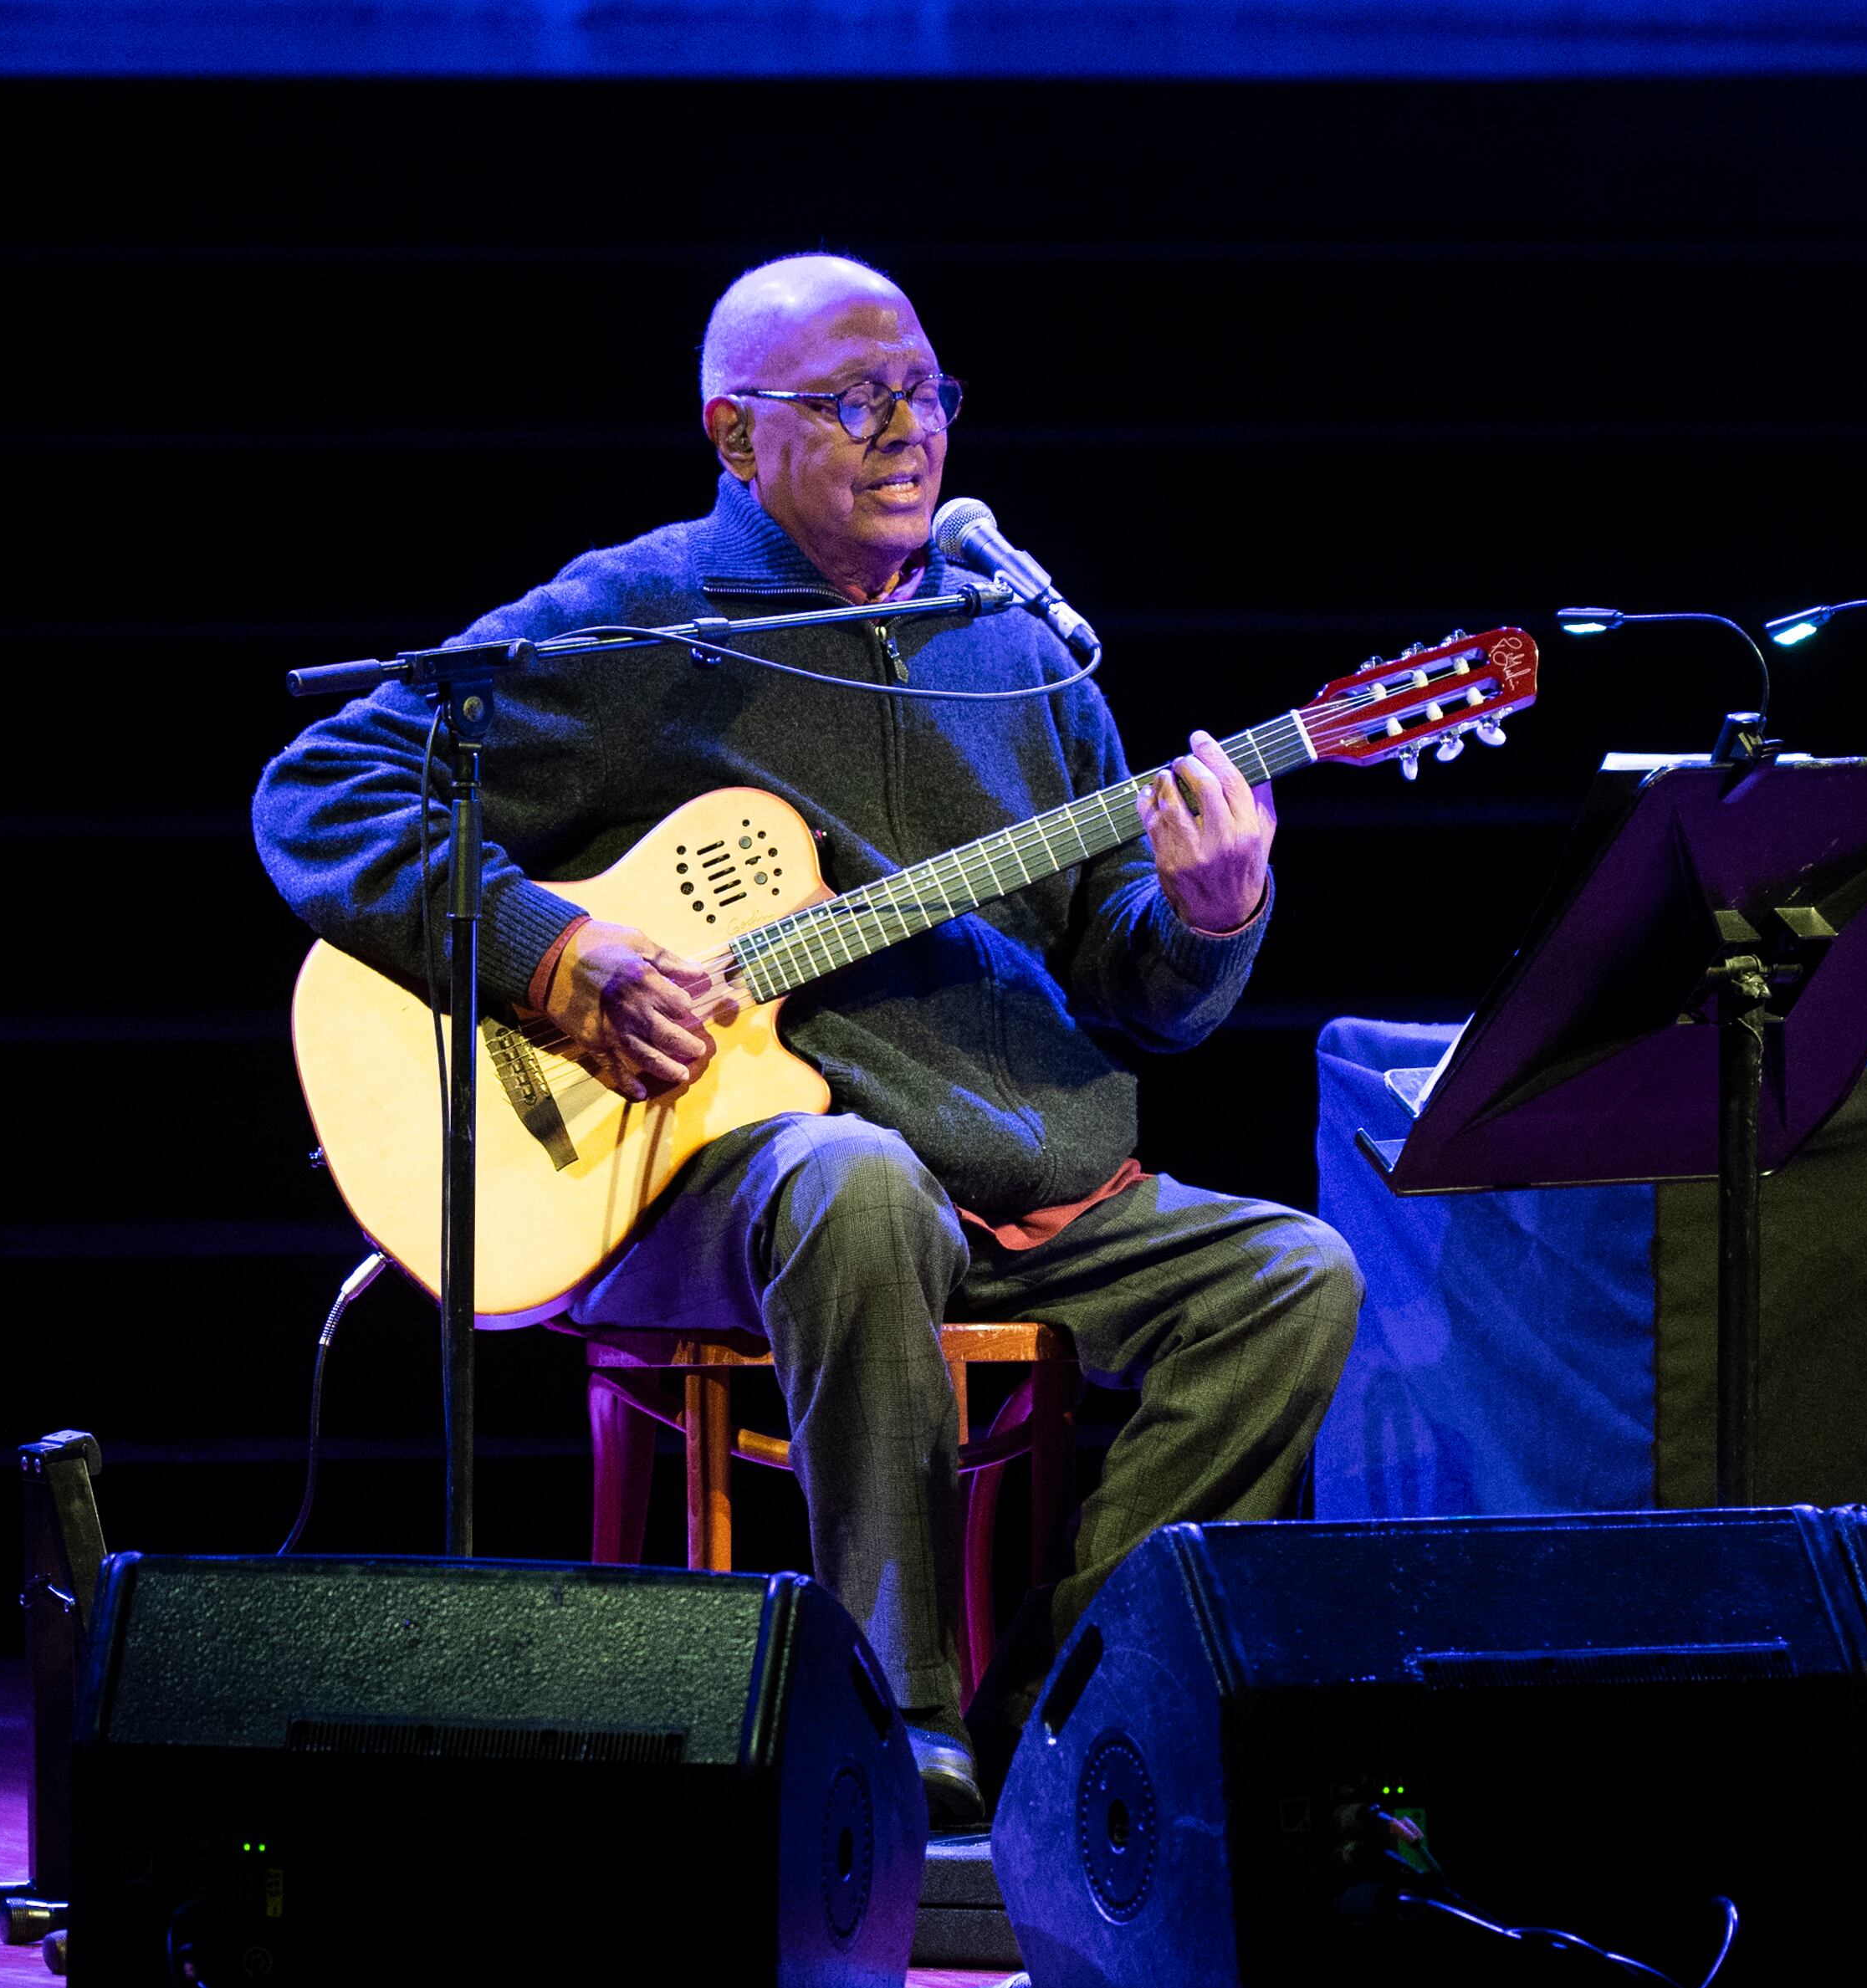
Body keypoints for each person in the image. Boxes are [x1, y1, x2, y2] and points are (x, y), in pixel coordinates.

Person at [253, 253, 1359, 1826]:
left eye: (925, 392)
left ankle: (1061, 1704)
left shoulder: (1021, 643)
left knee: (1292, 1274)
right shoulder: (648, 624)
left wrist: (1211, 909)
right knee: (854, 1179)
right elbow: (324, 788)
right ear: (731, 433)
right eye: (854, 401)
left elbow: (1134, 984)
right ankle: (894, 1719)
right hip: (720, 1187)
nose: (905, 431)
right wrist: (560, 958)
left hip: (1020, 1185)